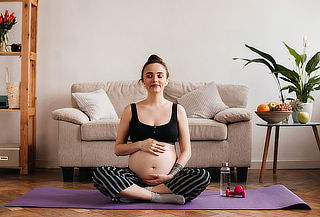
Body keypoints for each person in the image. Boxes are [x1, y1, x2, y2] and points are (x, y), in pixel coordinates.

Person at [92, 55, 211, 204]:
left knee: (202, 176)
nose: (155, 80)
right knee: (100, 173)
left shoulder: (178, 110)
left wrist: (171, 175)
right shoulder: (130, 110)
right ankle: (157, 197)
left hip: (167, 179)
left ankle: (136, 193)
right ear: (142, 82)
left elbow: (186, 151)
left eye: (159, 76)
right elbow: (118, 149)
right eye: (149, 76)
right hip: (135, 177)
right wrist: (141, 145)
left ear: (166, 80)